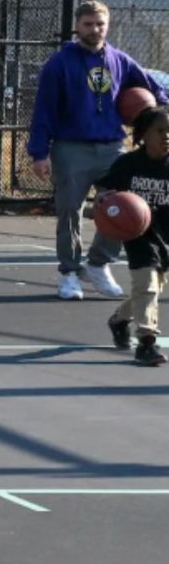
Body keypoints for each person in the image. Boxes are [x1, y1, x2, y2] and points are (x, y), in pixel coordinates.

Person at [26, 0, 150, 301]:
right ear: (77, 26)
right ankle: (69, 273)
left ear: (107, 26)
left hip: (112, 147)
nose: (95, 30)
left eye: (100, 24)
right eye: (88, 24)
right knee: (70, 212)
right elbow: (44, 111)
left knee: (122, 206)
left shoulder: (120, 60)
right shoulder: (59, 64)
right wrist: (39, 153)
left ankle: (98, 264)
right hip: (72, 148)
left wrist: (155, 114)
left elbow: (149, 90)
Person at [98, 105, 169, 367]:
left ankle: (119, 319)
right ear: (144, 135)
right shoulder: (129, 163)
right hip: (137, 232)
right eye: (160, 131)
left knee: (152, 287)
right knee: (147, 283)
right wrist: (105, 199)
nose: (167, 137)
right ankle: (146, 344)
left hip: (164, 234)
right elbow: (105, 186)